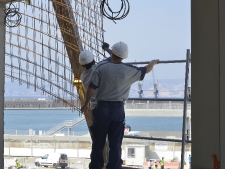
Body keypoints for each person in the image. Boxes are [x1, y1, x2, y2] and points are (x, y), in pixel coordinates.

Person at [81, 41, 159, 169]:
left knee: (98, 142)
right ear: (124, 57)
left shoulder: (100, 67)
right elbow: (147, 69)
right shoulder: (129, 70)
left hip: (102, 107)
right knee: (115, 142)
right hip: (118, 108)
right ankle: (114, 166)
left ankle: (95, 166)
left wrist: (85, 104)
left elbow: (92, 87)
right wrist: (154, 62)